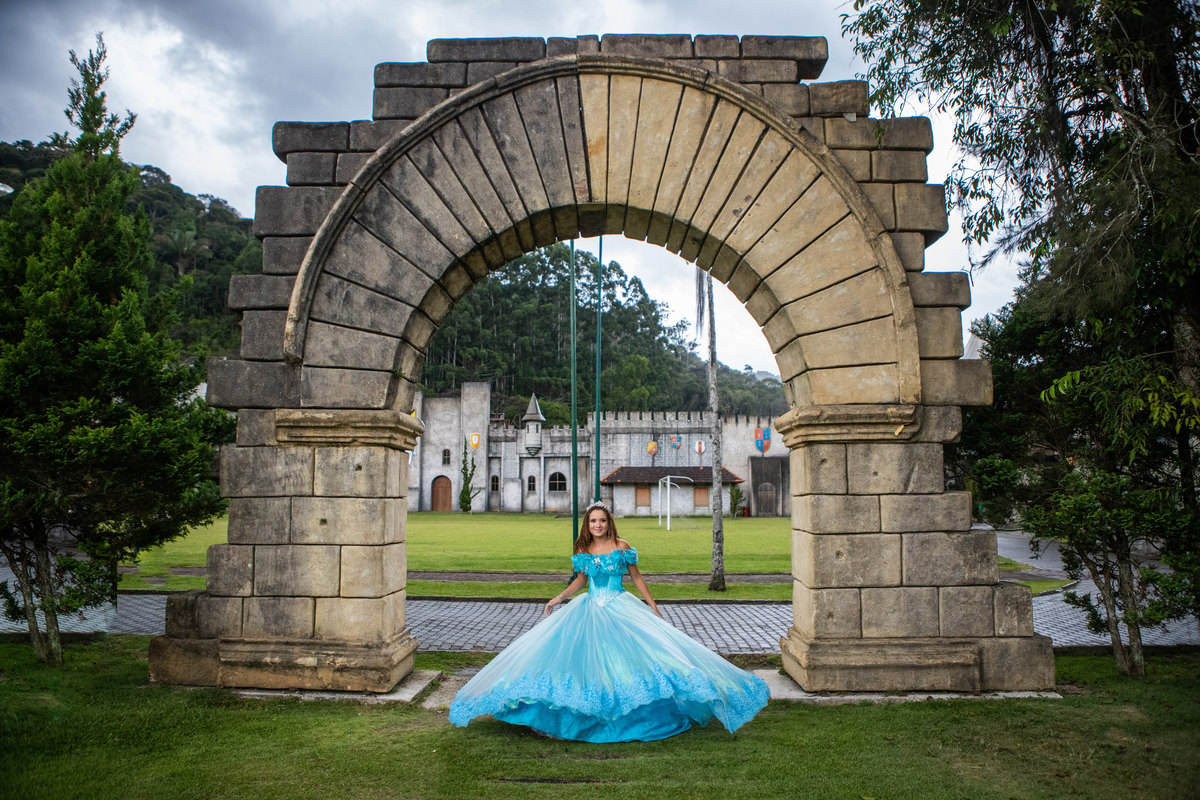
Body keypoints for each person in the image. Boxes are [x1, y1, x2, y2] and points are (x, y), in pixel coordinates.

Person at [448, 501, 770, 742]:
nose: (598, 525)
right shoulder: (584, 548)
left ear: (609, 522)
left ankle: (635, 713)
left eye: (602, 520)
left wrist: (653, 607)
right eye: (593, 521)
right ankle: (578, 715)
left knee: (640, 659)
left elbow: (638, 578)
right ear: (587, 525)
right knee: (581, 662)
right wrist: (559, 598)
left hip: (620, 606)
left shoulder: (622, 547)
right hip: (589, 609)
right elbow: (581, 582)